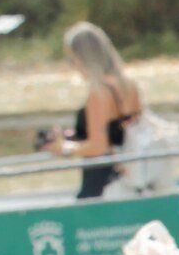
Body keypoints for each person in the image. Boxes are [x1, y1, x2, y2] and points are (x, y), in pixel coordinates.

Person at [35, 22, 141, 200]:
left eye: (72, 58)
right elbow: (118, 131)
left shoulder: (99, 93)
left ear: (83, 57)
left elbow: (98, 146)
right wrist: (74, 136)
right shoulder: (128, 85)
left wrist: (64, 148)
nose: (73, 65)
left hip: (102, 182)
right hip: (129, 176)